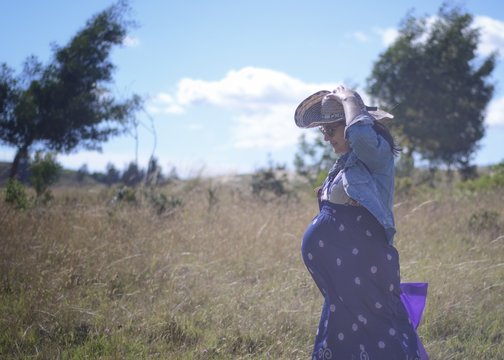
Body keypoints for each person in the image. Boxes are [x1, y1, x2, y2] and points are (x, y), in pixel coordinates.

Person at [295, 86, 428, 360]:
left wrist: (349, 98)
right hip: (343, 279)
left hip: (365, 269)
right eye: (323, 131)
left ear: (350, 124)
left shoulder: (375, 156)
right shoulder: (346, 163)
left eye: (331, 129)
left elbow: (360, 134)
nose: (326, 137)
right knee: (351, 334)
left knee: (379, 331)